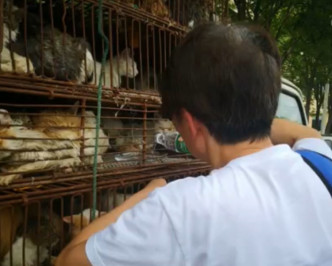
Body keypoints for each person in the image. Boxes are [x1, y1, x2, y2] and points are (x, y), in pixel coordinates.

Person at [56, 23, 332, 266]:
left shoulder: (181, 208)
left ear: (190, 124)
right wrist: (244, 114)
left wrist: (150, 192)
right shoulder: (320, 163)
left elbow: (69, 261)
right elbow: (305, 132)